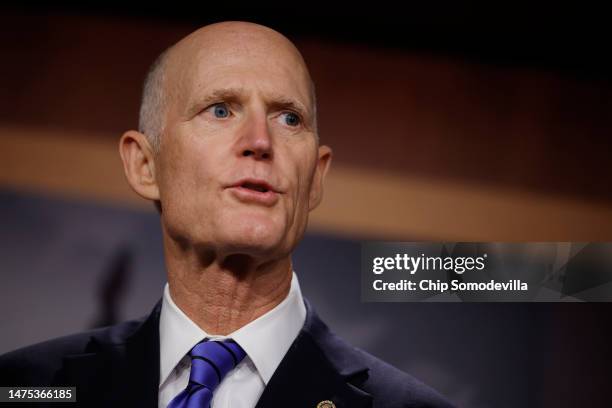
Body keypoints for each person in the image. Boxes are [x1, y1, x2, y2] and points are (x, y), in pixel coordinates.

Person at [0, 21, 454, 408]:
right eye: (220, 110)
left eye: (288, 119)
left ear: (315, 179)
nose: (260, 140)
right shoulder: (23, 386)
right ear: (145, 165)